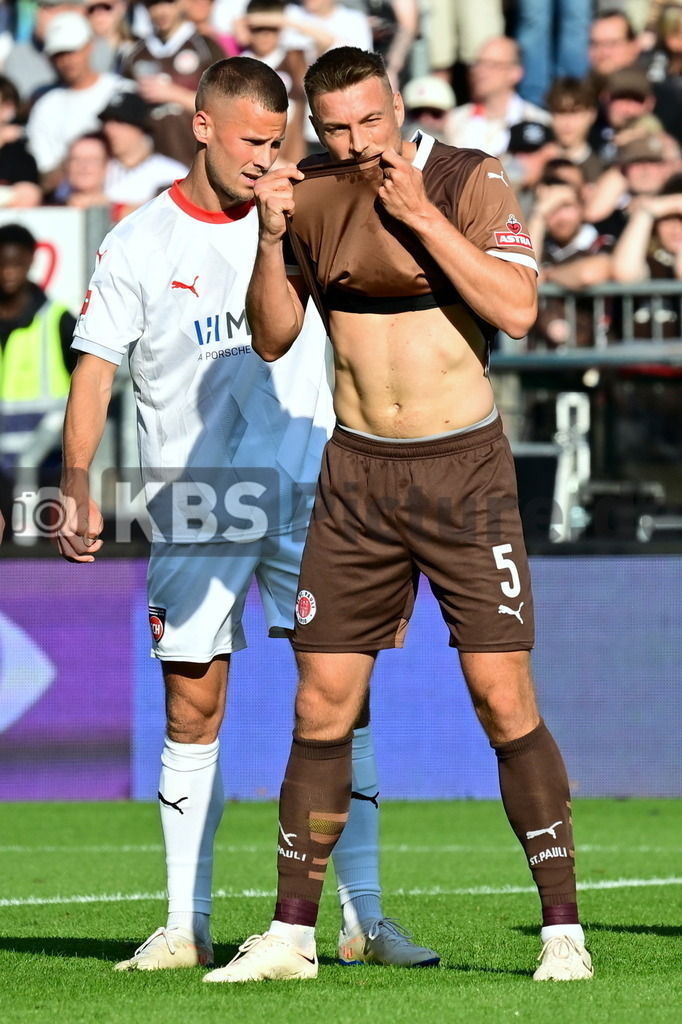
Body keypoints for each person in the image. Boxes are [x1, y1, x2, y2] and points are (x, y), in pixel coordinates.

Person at [207, 45, 594, 984]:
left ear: (397, 104)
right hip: (357, 477)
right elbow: (272, 337)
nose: (355, 142)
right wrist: (269, 238)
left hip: (465, 475)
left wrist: (420, 214)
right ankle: (292, 936)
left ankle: (563, 933)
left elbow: (517, 310)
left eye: (370, 121)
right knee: (319, 702)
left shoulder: (467, 177)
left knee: (502, 698)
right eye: (336, 128)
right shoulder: (309, 192)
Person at [58, 55, 438, 972]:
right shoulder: (141, 240)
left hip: (313, 492)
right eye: (251, 141)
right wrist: (76, 482)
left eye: (278, 141)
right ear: (202, 127)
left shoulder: (309, 209)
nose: (267, 158)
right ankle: (185, 926)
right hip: (197, 500)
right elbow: (97, 368)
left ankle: (364, 919)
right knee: (194, 705)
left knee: (344, 703)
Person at [0, 223, 76, 538]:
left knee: (35, 554)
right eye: (2, 263)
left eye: (16, 262)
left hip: (47, 466)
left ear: (32, 261)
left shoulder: (57, 319)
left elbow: (90, 384)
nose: (8, 272)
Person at [25, 11, 124, 195]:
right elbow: (46, 175)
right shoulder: (45, 106)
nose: (66, 60)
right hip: (69, 201)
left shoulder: (121, 91)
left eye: (72, 50)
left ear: (89, 46)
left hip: (124, 198)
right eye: (58, 54)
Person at [120, 0, 225, 168]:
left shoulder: (206, 47)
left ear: (183, 3)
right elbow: (122, 113)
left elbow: (226, 106)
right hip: (148, 164)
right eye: (153, 4)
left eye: (168, 2)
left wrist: (174, 94)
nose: (161, 11)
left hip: (196, 160)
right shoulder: (135, 54)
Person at [443, 36, 551, 158]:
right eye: (478, 63)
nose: (480, 71)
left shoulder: (538, 123)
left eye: (492, 65)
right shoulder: (453, 122)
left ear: (515, 72)